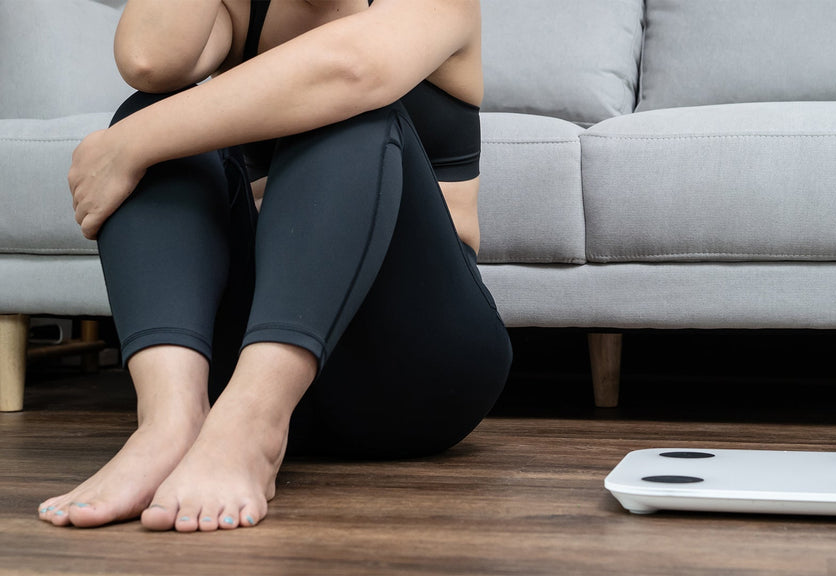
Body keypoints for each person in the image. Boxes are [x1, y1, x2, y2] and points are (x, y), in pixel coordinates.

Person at [37, 0, 512, 532]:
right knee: (149, 107)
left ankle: (253, 430)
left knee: (345, 108)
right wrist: (140, 134)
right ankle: (169, 424)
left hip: (416, 365)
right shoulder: (239, 11)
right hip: (239, 364)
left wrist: (129, 145)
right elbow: (148, 59)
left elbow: (351, 69)